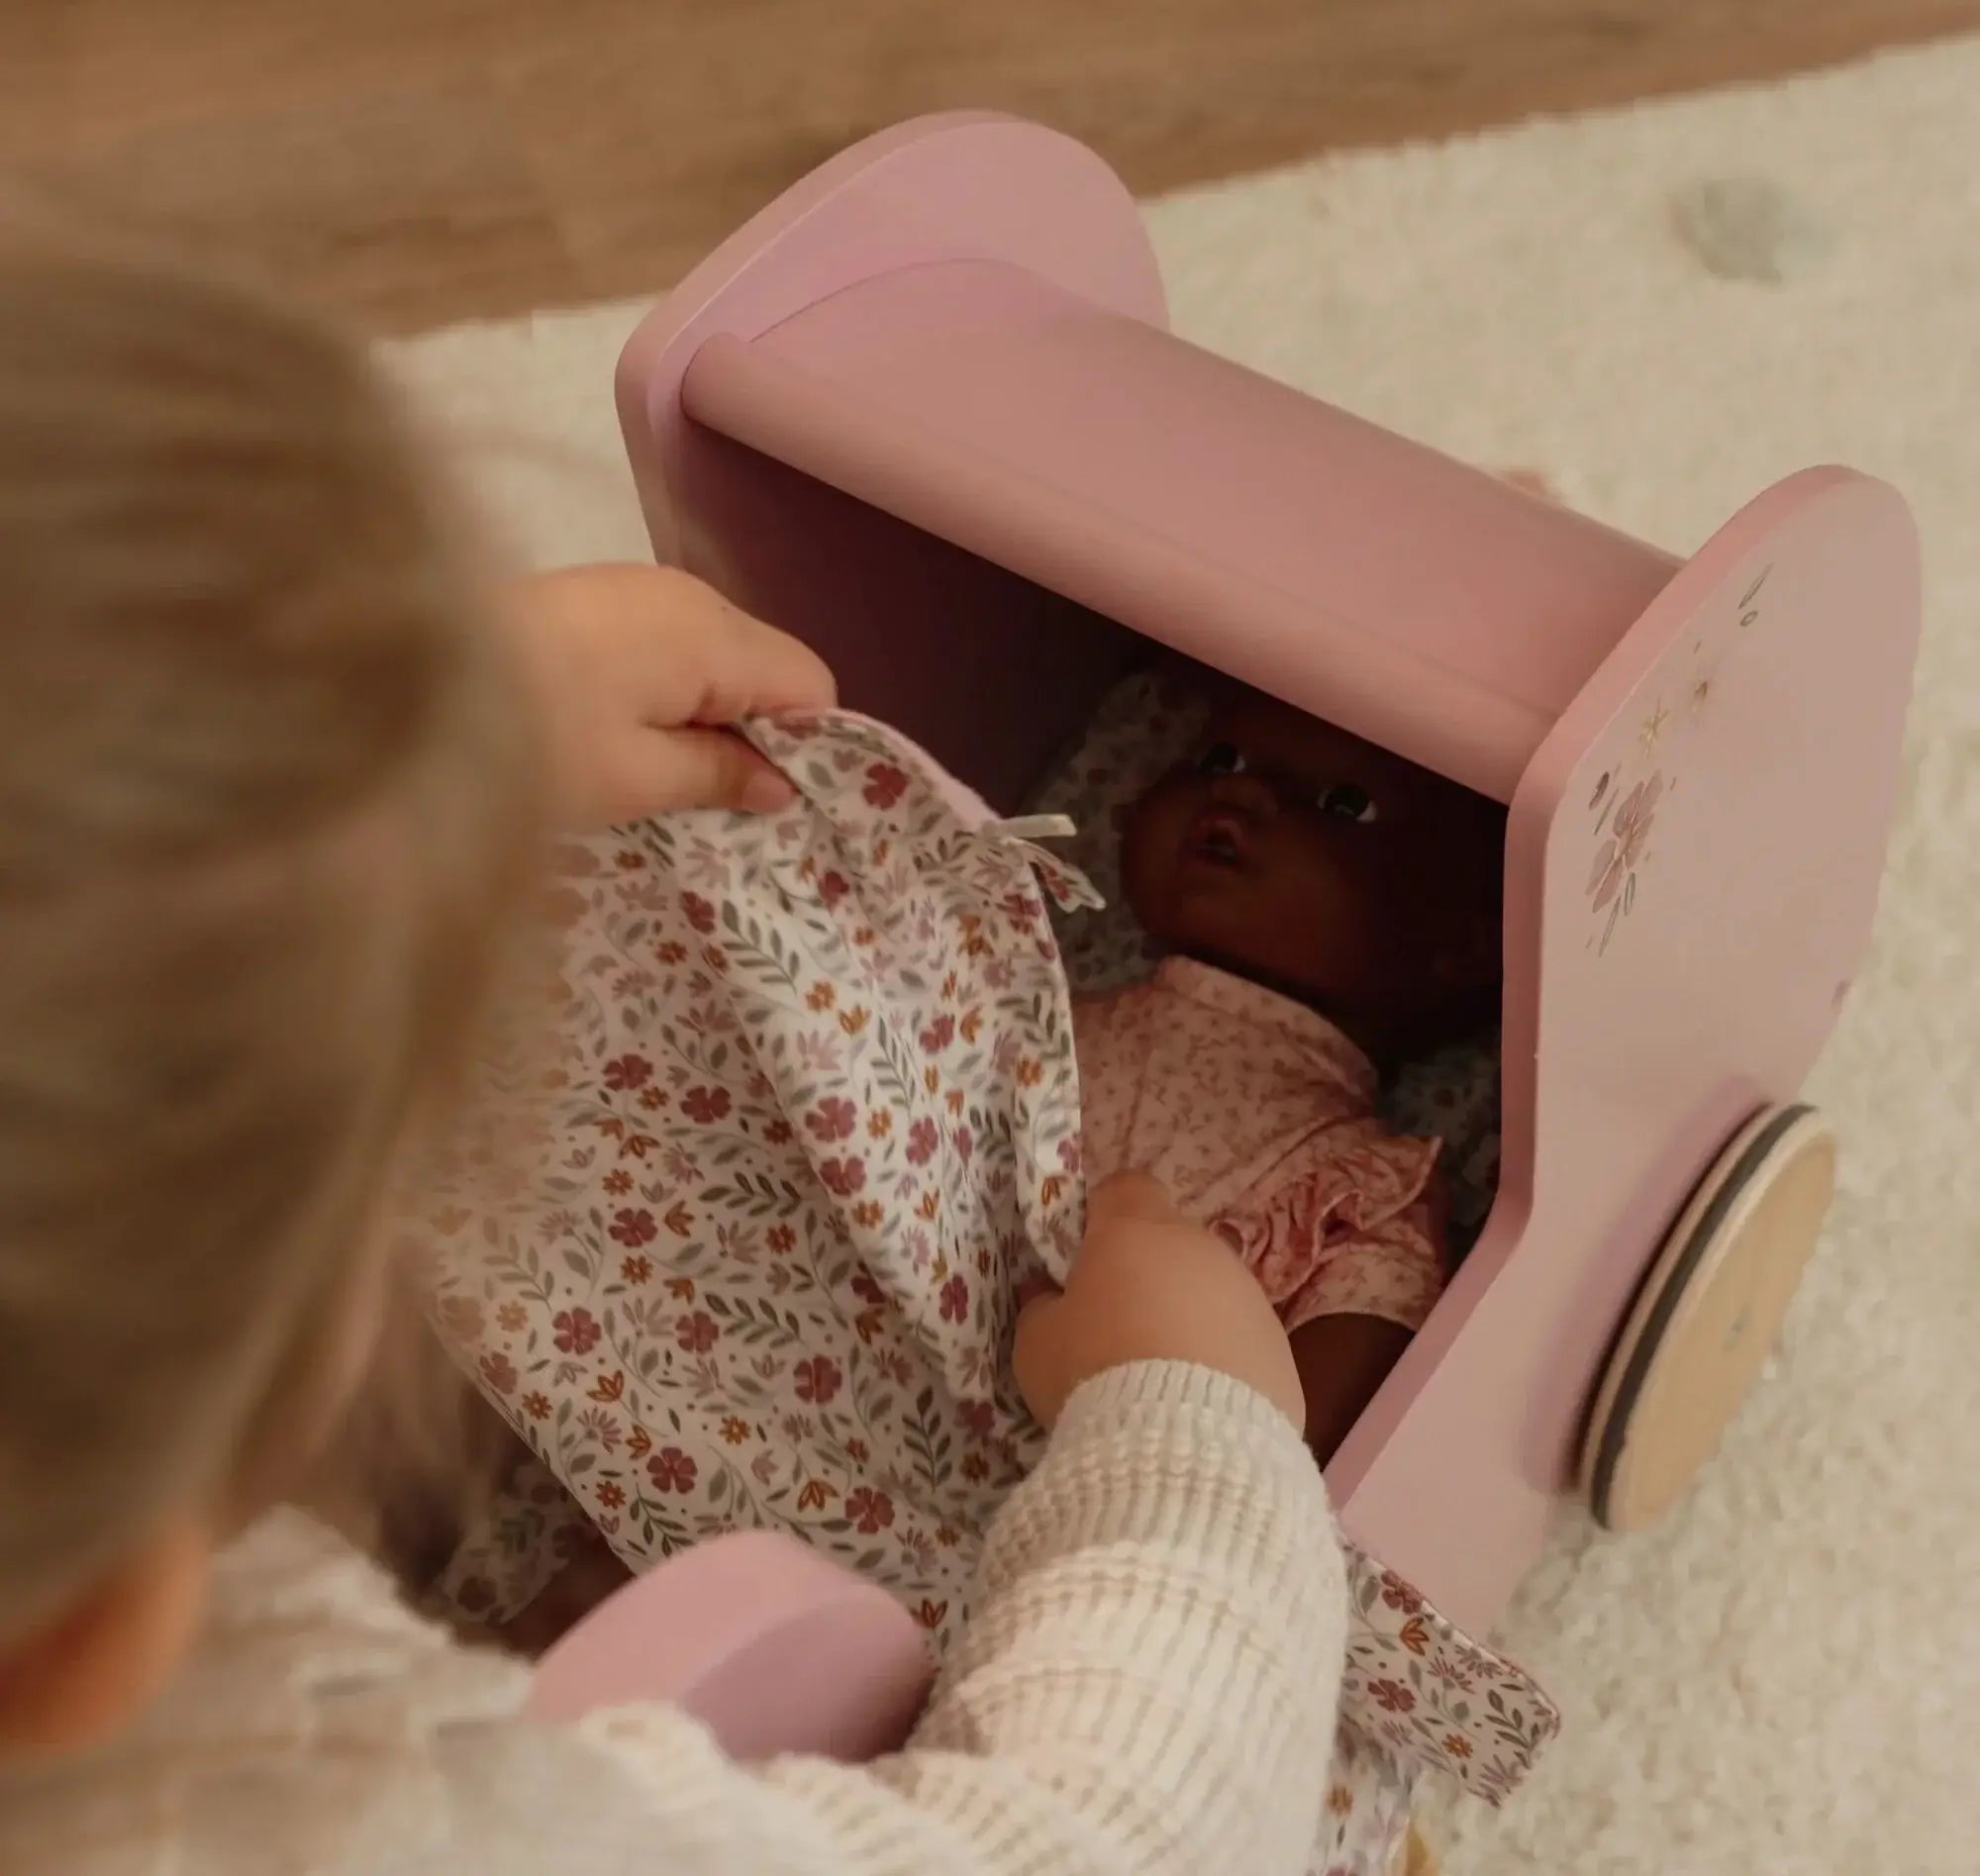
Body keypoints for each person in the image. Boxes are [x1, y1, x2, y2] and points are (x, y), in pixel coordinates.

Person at [0, 220, 1348, 1874]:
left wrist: (391, 741)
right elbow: (1123, 1836)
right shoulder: (287, 1817)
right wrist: (1196, 1429)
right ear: (93, 1638)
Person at [1076, 689, 1507, 1458]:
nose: (1239, 789)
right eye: (1220, 758)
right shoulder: (1030, 1001)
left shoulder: (1358, 1190)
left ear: (1461, 949)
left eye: (1344, 805)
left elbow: (1281, 1475)